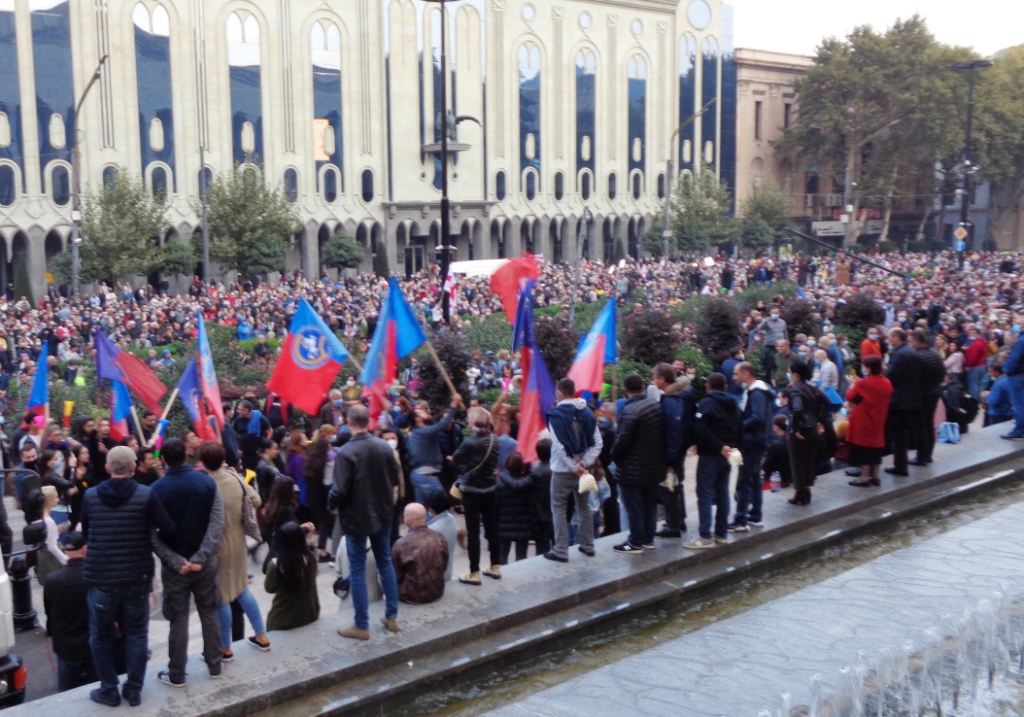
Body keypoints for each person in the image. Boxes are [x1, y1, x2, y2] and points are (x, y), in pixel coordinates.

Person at [80, 446, 176, 707]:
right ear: (134, 467)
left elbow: (87, 532)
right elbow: (167, 527)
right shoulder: (146, 495)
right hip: (137, 577)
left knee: (99, 636)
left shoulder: (90, 496)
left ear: (108, 468)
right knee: (136, 635)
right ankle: (133, 689)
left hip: (102, 579)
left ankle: (109, 689)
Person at [149, 437, 225, 687]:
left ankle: (177, 674)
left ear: (163, 460)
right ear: (186, 455)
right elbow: (217, 523)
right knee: (208, 612)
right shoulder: (206, 482)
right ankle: (215, 665)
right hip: (204, 564)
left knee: (178, 619)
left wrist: (175, 560)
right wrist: (200, 557)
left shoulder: (156, 490)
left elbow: (151, 534)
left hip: (175, 568)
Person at [329, 405, 401, 641]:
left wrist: (332, 504)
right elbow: (393, 479)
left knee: (358, 569)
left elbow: (338, 489)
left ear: (348, 421)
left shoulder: (346, 452)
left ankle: (362, 625)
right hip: (382, 513)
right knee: (385, 562)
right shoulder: (383, 446)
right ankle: (392, 616)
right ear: (368, 421)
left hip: (357, 517)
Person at [200, 441, 271, 662]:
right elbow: (257, 500)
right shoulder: (234, 478)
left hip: (216, 543)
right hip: (238, 539)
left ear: (203, 462)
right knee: (240, 588)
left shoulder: (204, 484)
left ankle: (225, 648)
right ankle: (261, 636)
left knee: (222, 596)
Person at [543, 378, 602, 563]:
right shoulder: (588, 412)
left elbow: (559, 446)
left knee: (559, 508)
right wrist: (584, 463)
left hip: (562, 470)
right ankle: (588, 545)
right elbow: (598, 442)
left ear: (559, 392)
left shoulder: (555, 415)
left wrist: (573, 466)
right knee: (584, 506)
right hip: (585, 470)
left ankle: (561, 550)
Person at [684, 373, 741, 549]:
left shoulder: (706, 404)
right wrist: (730, 447)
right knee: (723, 492)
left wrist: (718, 447)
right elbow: (740, 426)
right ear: (725, 387)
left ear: (708, 387)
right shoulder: (734, 405)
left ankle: (705, 536)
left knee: (705, 494)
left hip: (710, 455)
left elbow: (701, 429)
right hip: (728, 456)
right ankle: (721, 533)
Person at [609, 374, 664, 554]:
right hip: (654, 466)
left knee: (634, 507)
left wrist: (613, 455)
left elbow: (623, 440)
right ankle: (648, 538)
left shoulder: (630, 410)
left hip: (633, 469)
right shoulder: (655, 405)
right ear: (642, 387)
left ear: (625, 390)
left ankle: (635, 542)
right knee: (649, 505)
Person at [451, 407, 501, 584]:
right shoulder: (494, 440)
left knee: (473, 532)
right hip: (491, 488)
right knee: (492, 528)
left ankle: (474, 572)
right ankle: (495, 566)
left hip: (472, 491)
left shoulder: (469, 443)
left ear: (472, 423)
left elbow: (456, 461)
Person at [43, 531, 96, 692]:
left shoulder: (53, 580)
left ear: (66, 551)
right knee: (96, 688)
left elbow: (49, 611)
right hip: (92, 644)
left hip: (66, 647)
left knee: (66, 694)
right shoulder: (94, 576)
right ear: (85, 550)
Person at [729, 361, 774, 532]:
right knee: (754, 480)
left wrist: (739, 427)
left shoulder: (756, 393)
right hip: (758, 441)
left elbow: (757, 418)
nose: (734, 377)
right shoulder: (758, 391)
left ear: (746, 374)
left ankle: (741, 520)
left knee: (744, 481)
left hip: (753, 443)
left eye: (736, 374)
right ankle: (755, 516)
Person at [653, 363, 695, 538]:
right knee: (677, 484)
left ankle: (673, 525)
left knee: (669, 485)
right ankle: (679, 519)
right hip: (680, 448)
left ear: (662, 379)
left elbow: (672, 430)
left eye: (654, 377)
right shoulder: (682, 395)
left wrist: (669, 459)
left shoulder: (671, 401)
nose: (653, 381)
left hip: (672, 452)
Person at [786, 359, 830, 505]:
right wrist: (819, 420)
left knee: (797, 462)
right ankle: (805, 492)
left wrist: (795, 428)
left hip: (801, 430)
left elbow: (797, 409)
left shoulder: (796, 388)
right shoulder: (812, 387)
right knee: (809, 460)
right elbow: (827, 403)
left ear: (795, 374)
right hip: (812, 429)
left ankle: (801, 492)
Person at [846, 355, 894, 488]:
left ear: (868, 368)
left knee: (864, 449)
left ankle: (864, 478)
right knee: (876, 448)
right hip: (879, 419)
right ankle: (876, 476)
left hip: (864, 419)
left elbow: (850, 396)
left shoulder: (863, 383)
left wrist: (852, 384)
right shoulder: (886, 382)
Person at [265, 521, 320, 631]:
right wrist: (297, 531)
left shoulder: (275, 565)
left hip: (281, 621)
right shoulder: (312, 558)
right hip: (310, 615)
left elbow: (269, 588)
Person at [391, 503, 449, 604]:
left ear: (409, 520)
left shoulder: (401, 544)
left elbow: (396, 576)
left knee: (382, 570)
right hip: (437, 591)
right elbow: (444, 564)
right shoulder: (440, 537)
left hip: (411, 595)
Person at [884, 328, 922, 477]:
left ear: (896, 338)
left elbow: (891, 376)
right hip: (911, 398)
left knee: (898, 434)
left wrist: (885, 371)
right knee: (903, 433)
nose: (888, 340)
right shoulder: (912, 351)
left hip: (899, 401)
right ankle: (901, 464)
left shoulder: (899, 354)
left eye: (889, 337)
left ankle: (900, 466)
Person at [910, 328, 947, 466]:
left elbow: (914, 378)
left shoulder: (917, 356)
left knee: (920, 426)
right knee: (929, 425)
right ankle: (928, 454)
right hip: (934, 392)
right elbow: (942, 372)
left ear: (917, 342)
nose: (910, 344)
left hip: (922, 395)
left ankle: (921, 456)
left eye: (911, 341)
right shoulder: (935, 353)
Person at [496, 452, 534, 564]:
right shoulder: (527, 484)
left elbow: (495, 507)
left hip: (503, 526)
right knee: (521, 558)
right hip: (523, 526)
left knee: (502, 556)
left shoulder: (499, 485)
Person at [36, 485, 68, 585]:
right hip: (51, 561)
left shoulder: (39, 516)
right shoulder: (49, 521)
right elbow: (52, 547)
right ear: (50, 501)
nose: (58, 499)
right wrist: (66, 560)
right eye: (56, 497)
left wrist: (56, 531)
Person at [423, 492, 457, 582]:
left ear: (431, 509)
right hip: (448, 572)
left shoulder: (432, 529)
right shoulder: (451, 518)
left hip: (435, 578)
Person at [529, 438, 554, 556]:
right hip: (557, 515)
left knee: (542, 550)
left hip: (540, 517)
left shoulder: (534, 473)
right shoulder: (558, 471)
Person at [233, 400, 272, 472]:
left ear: (246, 410)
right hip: (243, 452)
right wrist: (237, 448)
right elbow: (234, 433)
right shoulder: (238, 419)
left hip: (256, 452)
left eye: (239, 409)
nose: (237, 411)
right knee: (247, 472)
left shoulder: (260, 418)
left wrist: (265, 445)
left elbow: (269, 431)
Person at [1001, 326, 1024, 440]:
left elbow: (1015, 358)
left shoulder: (1021, 341)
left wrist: (1008, 370)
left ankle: (1019, 430)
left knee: (1018, 404)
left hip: (1017, 375)